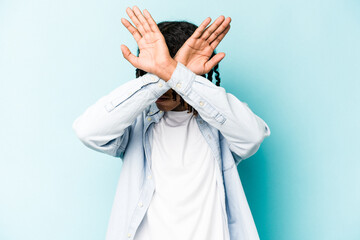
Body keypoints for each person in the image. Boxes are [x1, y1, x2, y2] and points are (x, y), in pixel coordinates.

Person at [72, 6, 271, 240]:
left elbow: (253, 135)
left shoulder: (221, 121)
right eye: (152, 70)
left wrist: (179, 77)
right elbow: (88, 131)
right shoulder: (135, 123)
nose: (166, 81)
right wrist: (164, 75)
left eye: (170, 71)